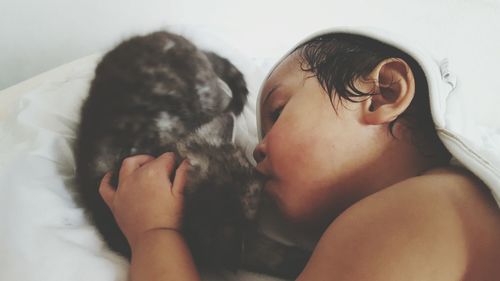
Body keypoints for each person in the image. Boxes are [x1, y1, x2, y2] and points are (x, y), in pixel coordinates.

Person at [98, 30, 500, 280]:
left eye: (278, 111)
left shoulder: (417, 209)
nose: (257, 149)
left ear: (383, 93)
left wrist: (154, 235)